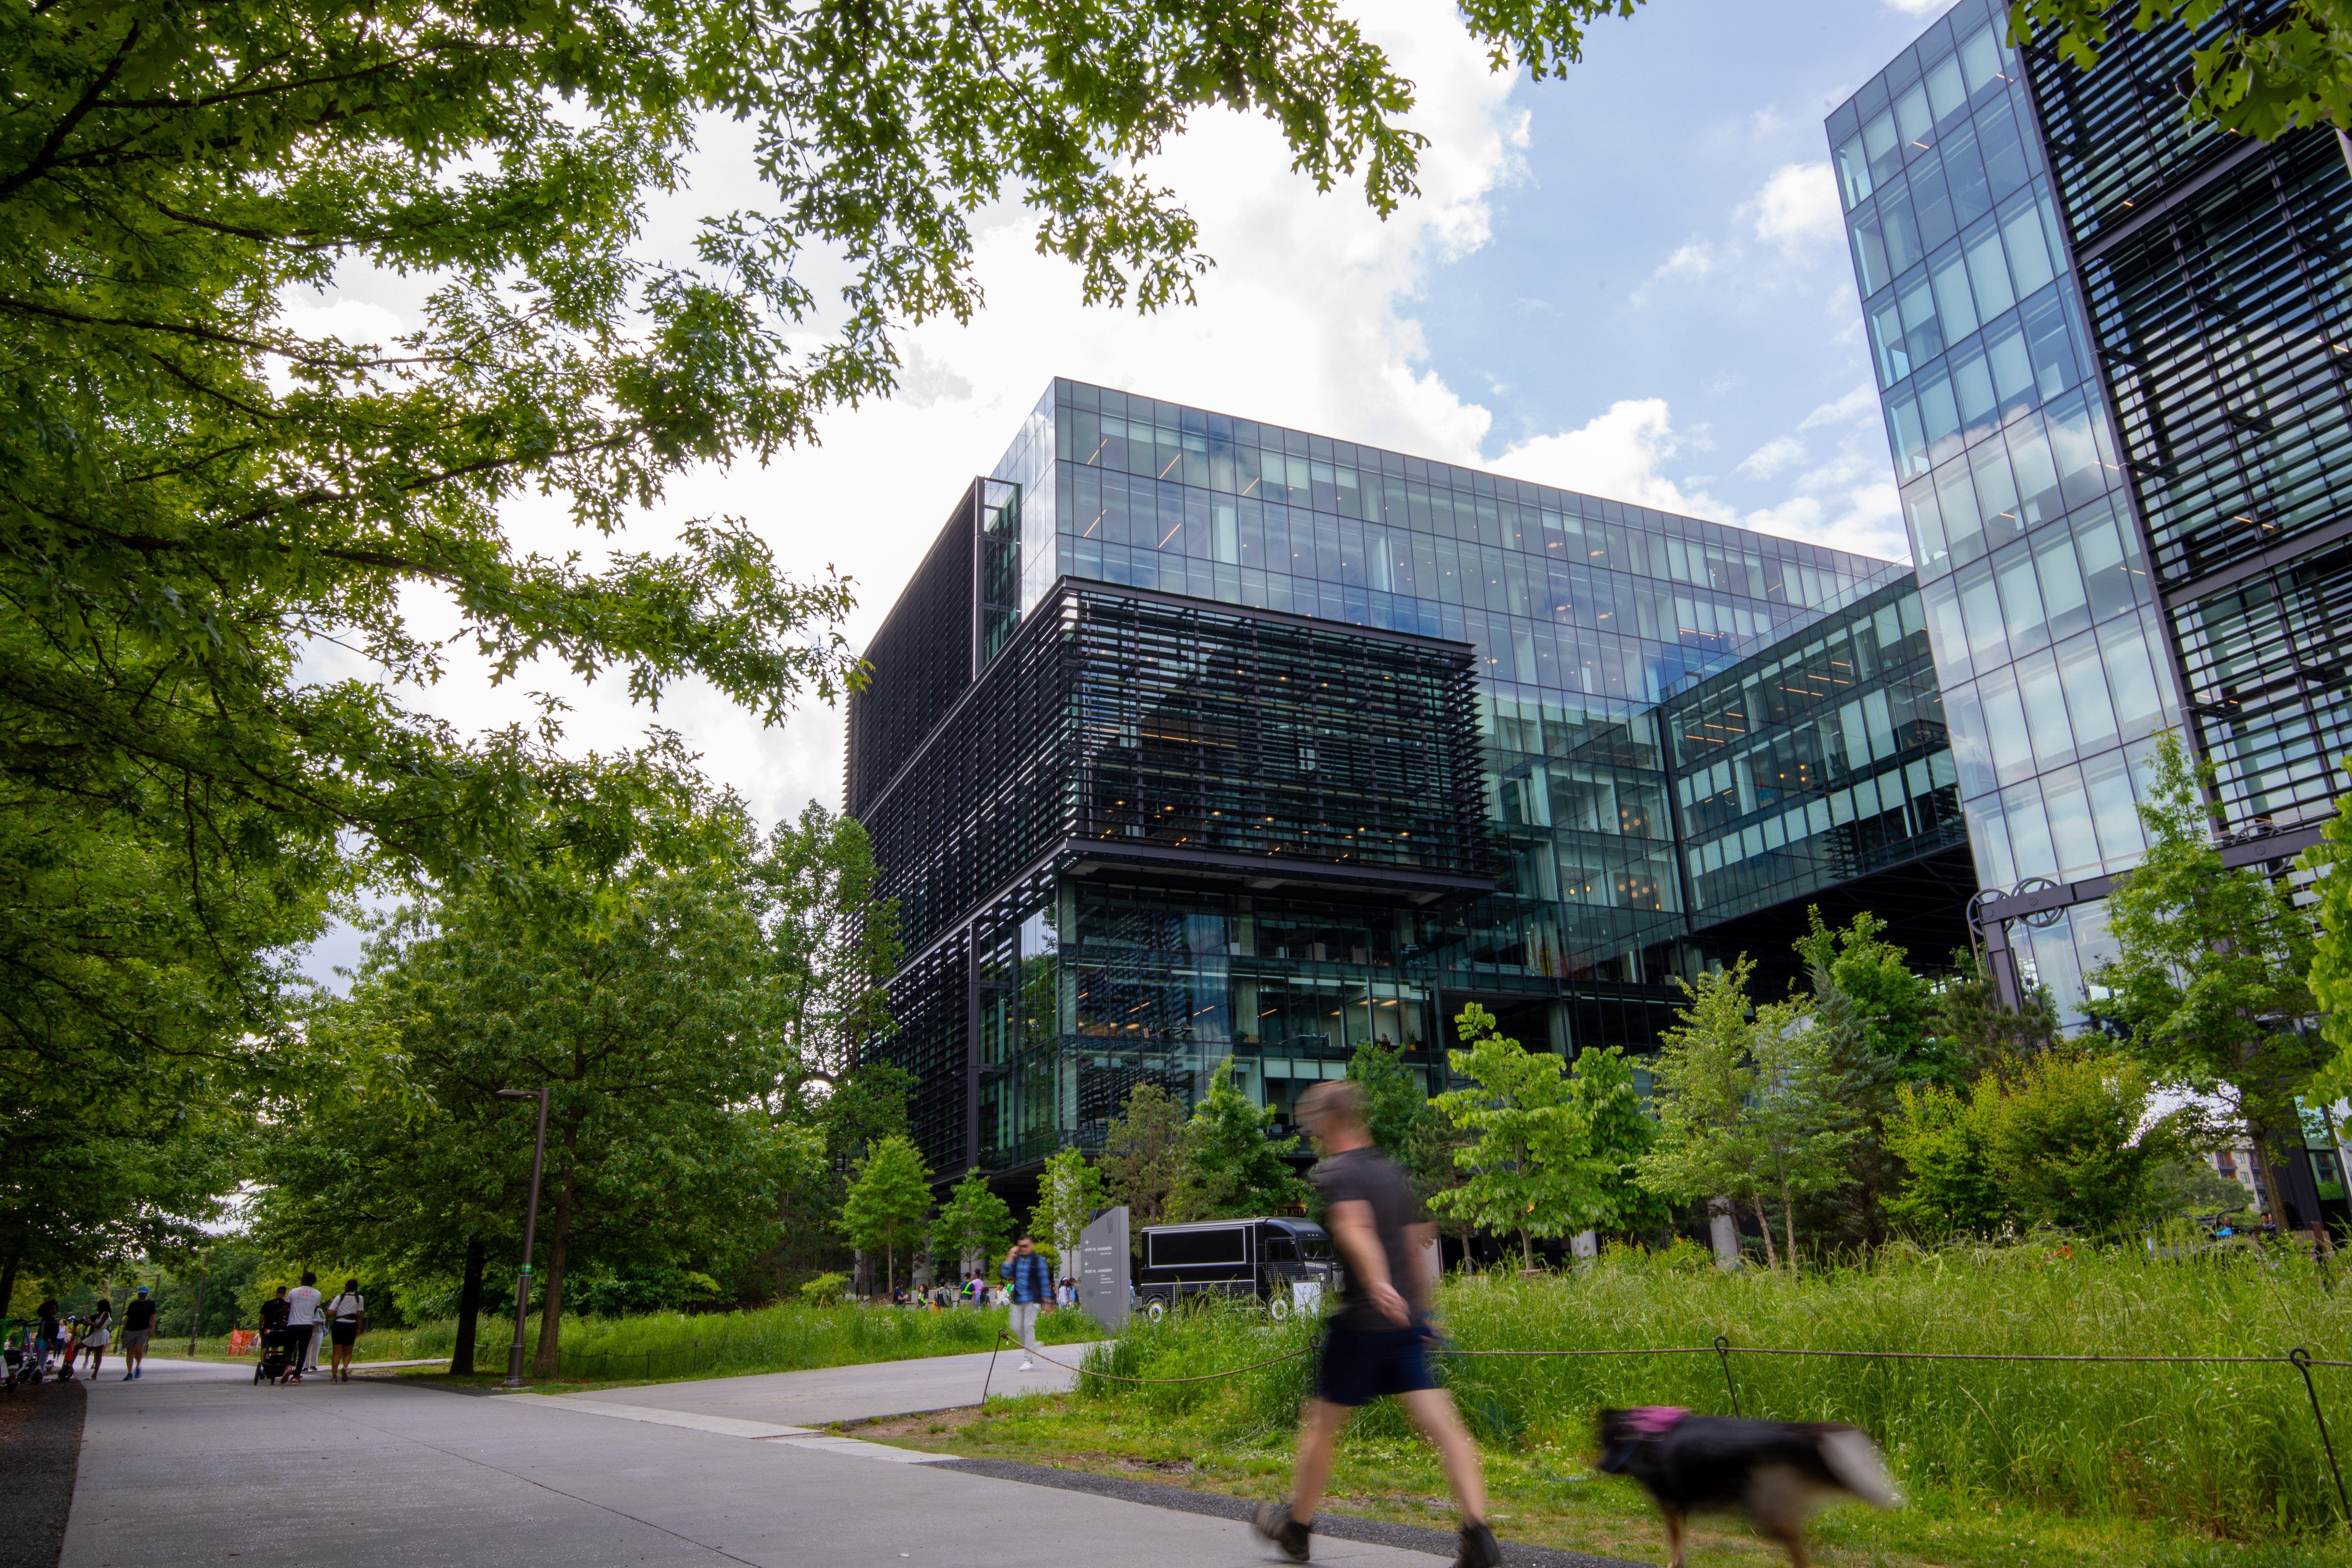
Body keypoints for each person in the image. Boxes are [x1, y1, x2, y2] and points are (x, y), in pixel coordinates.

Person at [1252, 1079, 1499, 1568]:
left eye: (1312, 1124)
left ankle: (1297, 1529)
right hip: (1405, 1322)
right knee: (1446, 1427)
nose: (1310, 1134)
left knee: (1322, 1426)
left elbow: (1353, 1227)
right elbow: (1414, 1244)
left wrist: (1378, 1283)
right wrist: (1421, 1311)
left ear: (1330, 1120)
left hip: (1364, 1321)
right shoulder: (1391, 1171)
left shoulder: (1338, 1172)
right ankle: (1478, 1535)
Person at [1000, 1236, 1054, 1371]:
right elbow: (1005, 1273)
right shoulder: (1017, 1259)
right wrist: (1010, 1256)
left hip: (1033, 1299)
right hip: (1018, 1299)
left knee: (1029, 1326)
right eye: (1020, 1246)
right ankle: (1032, 1346)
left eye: (1025, 1246)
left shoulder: (1039, 1260)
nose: (1023, 1249)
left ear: (1032, 1245)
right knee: (1016, 1327)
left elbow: (1043, 1280)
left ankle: (1028, 1360)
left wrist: (1047, 1301)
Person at [284, 1271, 323, 1383]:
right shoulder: (317, 1294)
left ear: (303, 1280)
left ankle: (288, 1366)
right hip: (307, 1326)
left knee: (288, 1348)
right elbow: (315, 1310)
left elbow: (285, 1307)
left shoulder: (294, 1292)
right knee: (303, 1351)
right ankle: (296, 1377)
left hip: (293, 1325)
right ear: (314, 1282)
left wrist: (282, 1319)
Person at [326, 1278, 366, 1382]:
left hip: (339, 1325)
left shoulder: (339, 1298)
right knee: (348, 1352)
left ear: (347, 1287)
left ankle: (334, 1378)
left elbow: (330, 1312)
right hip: (351, 1326)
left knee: (337, 1353)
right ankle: (345, 1367)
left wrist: (337, 1311)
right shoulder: (359, 1299)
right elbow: (359, 1315)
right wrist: (359, 1329)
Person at [119, 1285, 158, 1379]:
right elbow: (127, 1318)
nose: (142, 1295)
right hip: (130, 1330)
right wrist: (123, 1331)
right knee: (130, 1351)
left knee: (139, 1349)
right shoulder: (133, 1304)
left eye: (144, 1294)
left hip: (143, 1329)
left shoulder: (151, 1303)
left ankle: (138, 1367)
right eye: (140, 1293)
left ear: (147, 1294)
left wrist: (153, 1329)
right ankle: (129, 1373)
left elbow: (153, 1317)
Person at [83, 1296, 113, 1379]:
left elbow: (100, 1326)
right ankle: (71, 1365)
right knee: (82, 1348)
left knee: (98, 1354)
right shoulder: (97, 1315)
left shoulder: (106, 1314)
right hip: (95, 1334)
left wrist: (90, 1323)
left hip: (101, 1334)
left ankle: (95, 1374)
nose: (97, 1307)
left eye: (98, 1306)